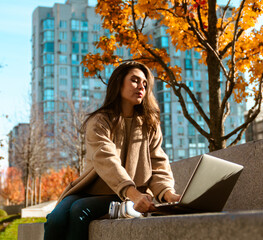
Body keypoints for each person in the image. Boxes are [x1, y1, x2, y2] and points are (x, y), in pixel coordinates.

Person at [44, 61, 180, 240]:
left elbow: (158, 163)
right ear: (119, 83)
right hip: (95, 191)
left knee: (79, 210)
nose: (141, 86)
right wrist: (132, 193)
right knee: (55, 219)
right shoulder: (100, 121)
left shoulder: (150, 124)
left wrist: (168, 194)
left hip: (128, 196)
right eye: (134, 80)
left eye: (145, 84)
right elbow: (106, 159)